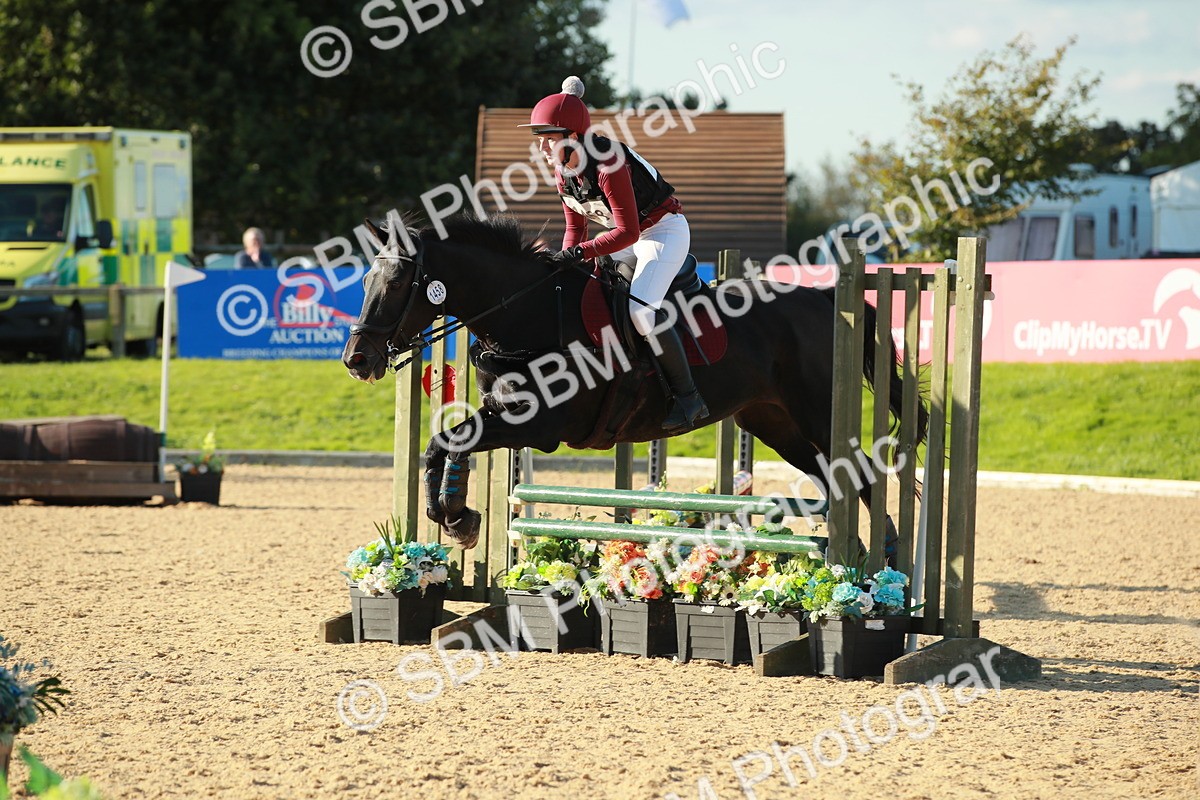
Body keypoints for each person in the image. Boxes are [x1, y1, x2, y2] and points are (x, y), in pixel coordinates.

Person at [520, 76, 708, 430]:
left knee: (641, 312)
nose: (541, 148)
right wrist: (565, 266)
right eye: (539, 139)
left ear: (572, 137)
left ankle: (689, 398)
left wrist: (577, 254)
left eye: (548, 139)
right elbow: (576, 230)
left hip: (662, 232)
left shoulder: (608, 164)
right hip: (625, 238)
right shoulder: (564, 173)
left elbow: (629, 231)